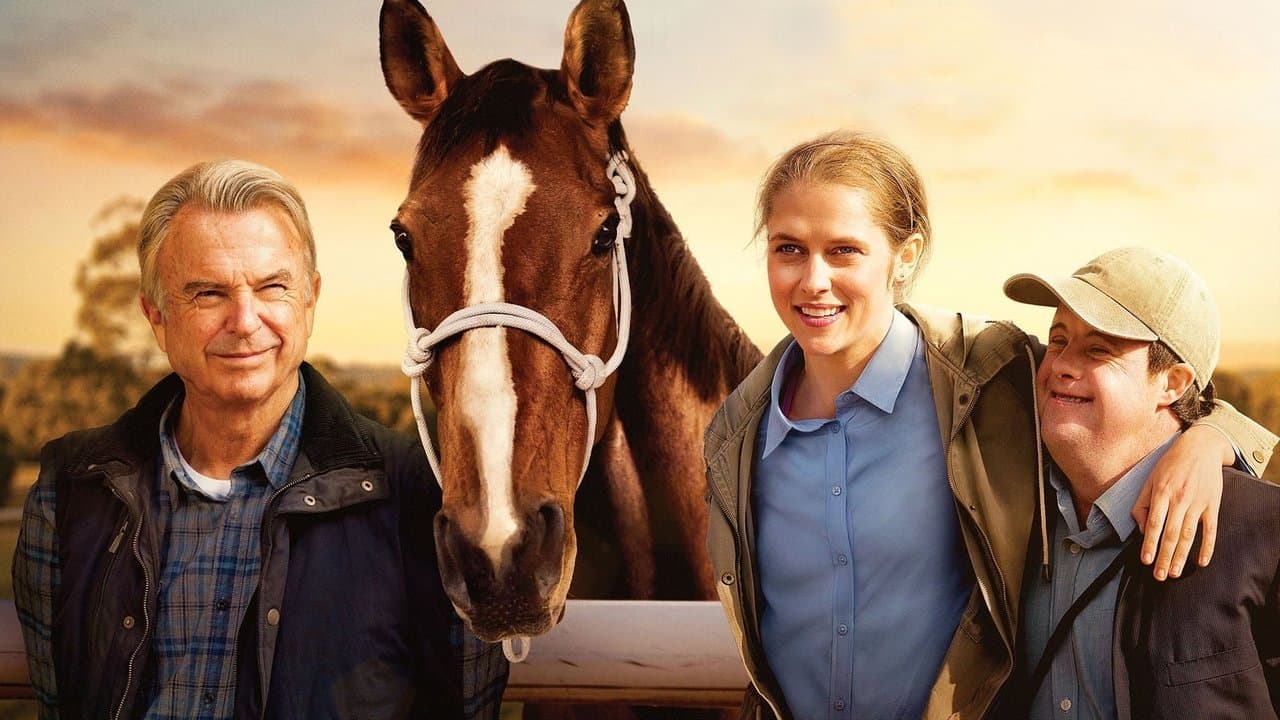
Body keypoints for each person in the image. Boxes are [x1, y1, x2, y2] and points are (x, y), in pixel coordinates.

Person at [701, 131, 1276, 720]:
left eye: (844, 249)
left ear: (906, 256)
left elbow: (1145, 396)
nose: (812, 280)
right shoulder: (737, 434)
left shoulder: (988, 378)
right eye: (788, 248)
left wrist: (1210, 442)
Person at [12, 159, 507, 719]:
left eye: (273, 286)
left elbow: (468, 705)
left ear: (310, 300)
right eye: (208, 294)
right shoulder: (73, 490)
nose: (245, 321)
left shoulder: (420, 492)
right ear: (156, 315)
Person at [997, 247, 1279, 718]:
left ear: (1173, 384)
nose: (1061, 365)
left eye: (1098, 349)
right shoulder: (1004, 507)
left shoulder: (1263, 529)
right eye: (1058, 339)